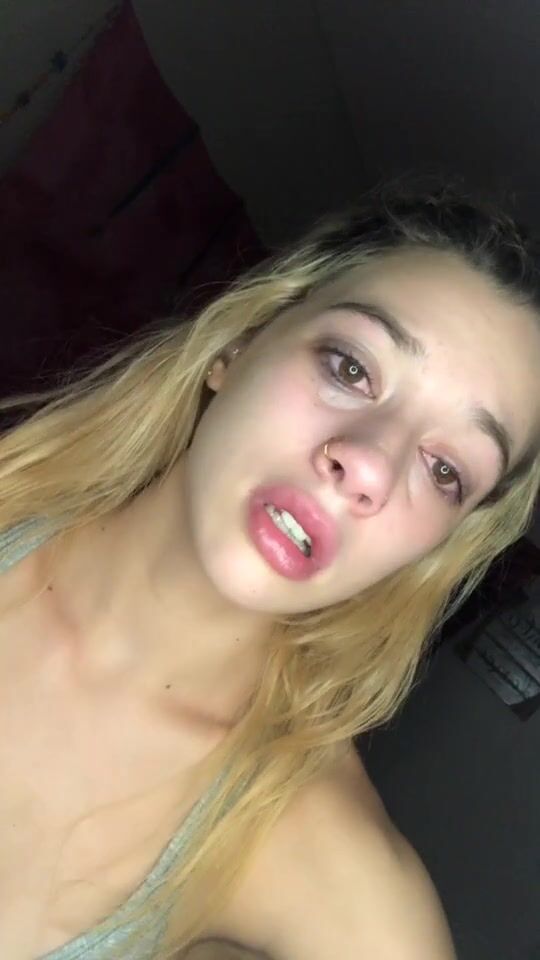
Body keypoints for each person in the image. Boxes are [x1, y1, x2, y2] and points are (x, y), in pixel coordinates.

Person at [1, 180, 539, 960]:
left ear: (435, 548)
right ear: (240, 344)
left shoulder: (315, 857)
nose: (368, 465)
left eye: (445, 470)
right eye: (351, 368)